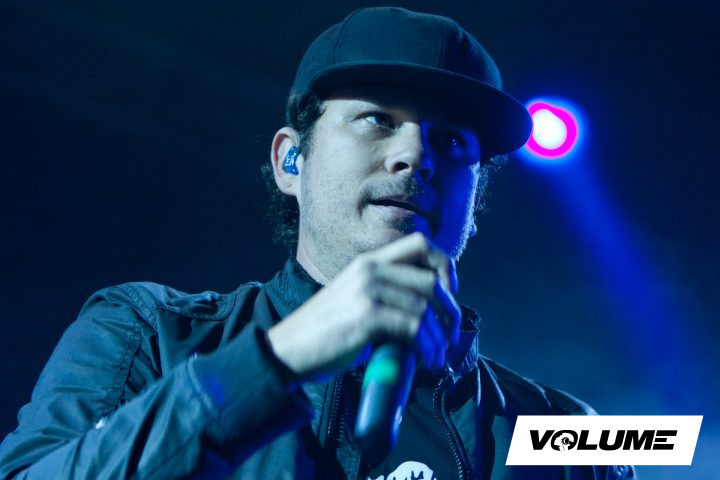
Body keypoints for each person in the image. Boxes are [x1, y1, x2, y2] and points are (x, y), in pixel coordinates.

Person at [0, 7, 635, 479]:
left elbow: (660, 441)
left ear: (475, 205)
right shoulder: (149, 334)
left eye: (451, 142)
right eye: (377, 119)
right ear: (291, 160)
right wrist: (280, 360)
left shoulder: (565, 434)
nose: (416, 155)